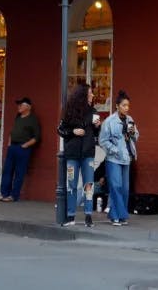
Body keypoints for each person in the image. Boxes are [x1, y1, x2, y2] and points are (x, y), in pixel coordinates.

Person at [57, 82, 98, 227]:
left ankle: (88, 216)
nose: (92, 95)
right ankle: (70, 216)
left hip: (88, 153)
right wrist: (73, 131)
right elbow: (60, 130)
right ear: (83, 95)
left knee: (89, 185)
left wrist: (97, 127)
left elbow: (96, 135)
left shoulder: (93, 112)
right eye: (90, 93)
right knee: (71, 185)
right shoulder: (69, 111)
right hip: (72, 154)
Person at [99, 90, 139, 226]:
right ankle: (115, 215)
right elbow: (103, 141)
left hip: (127, 158)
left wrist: (133, 133)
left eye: (128, 106)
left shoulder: (130, 120)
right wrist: (115, 150)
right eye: (124, 105)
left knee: (125, 188)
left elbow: (136, 137)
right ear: (117, 106)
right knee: (115, 186)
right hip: (114, 159)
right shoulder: (109, 121)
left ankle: (121, 216)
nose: (126, 108)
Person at [0, 97, 39, 202]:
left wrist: (25, 145)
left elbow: (36, 137)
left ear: (28, 107)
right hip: (12, 148)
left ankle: (13, 195)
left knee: (19, 172)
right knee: (7, 171)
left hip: (23, 149)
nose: (18, 107)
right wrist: (9, 143)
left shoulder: (33, 119)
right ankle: (4, 193)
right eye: (18, 104)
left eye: (21, 104)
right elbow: (12, 131)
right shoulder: (18, 117)